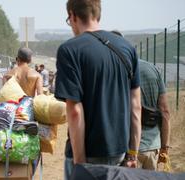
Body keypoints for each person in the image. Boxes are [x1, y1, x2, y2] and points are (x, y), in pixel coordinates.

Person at [54, 1, 142, 179]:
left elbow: (75, 112)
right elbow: (136, 106)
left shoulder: (69, 50)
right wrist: (133, 153)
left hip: (87, 155)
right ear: (98, 14)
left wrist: (79, 164)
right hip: (120, 153)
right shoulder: (127, 48)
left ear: (73, 16)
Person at [138, 59, 170, 170]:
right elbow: (165, 111)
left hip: (129, 149)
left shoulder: (121, 69)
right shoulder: (153, 69)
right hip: (152, 146)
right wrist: (165, 148)